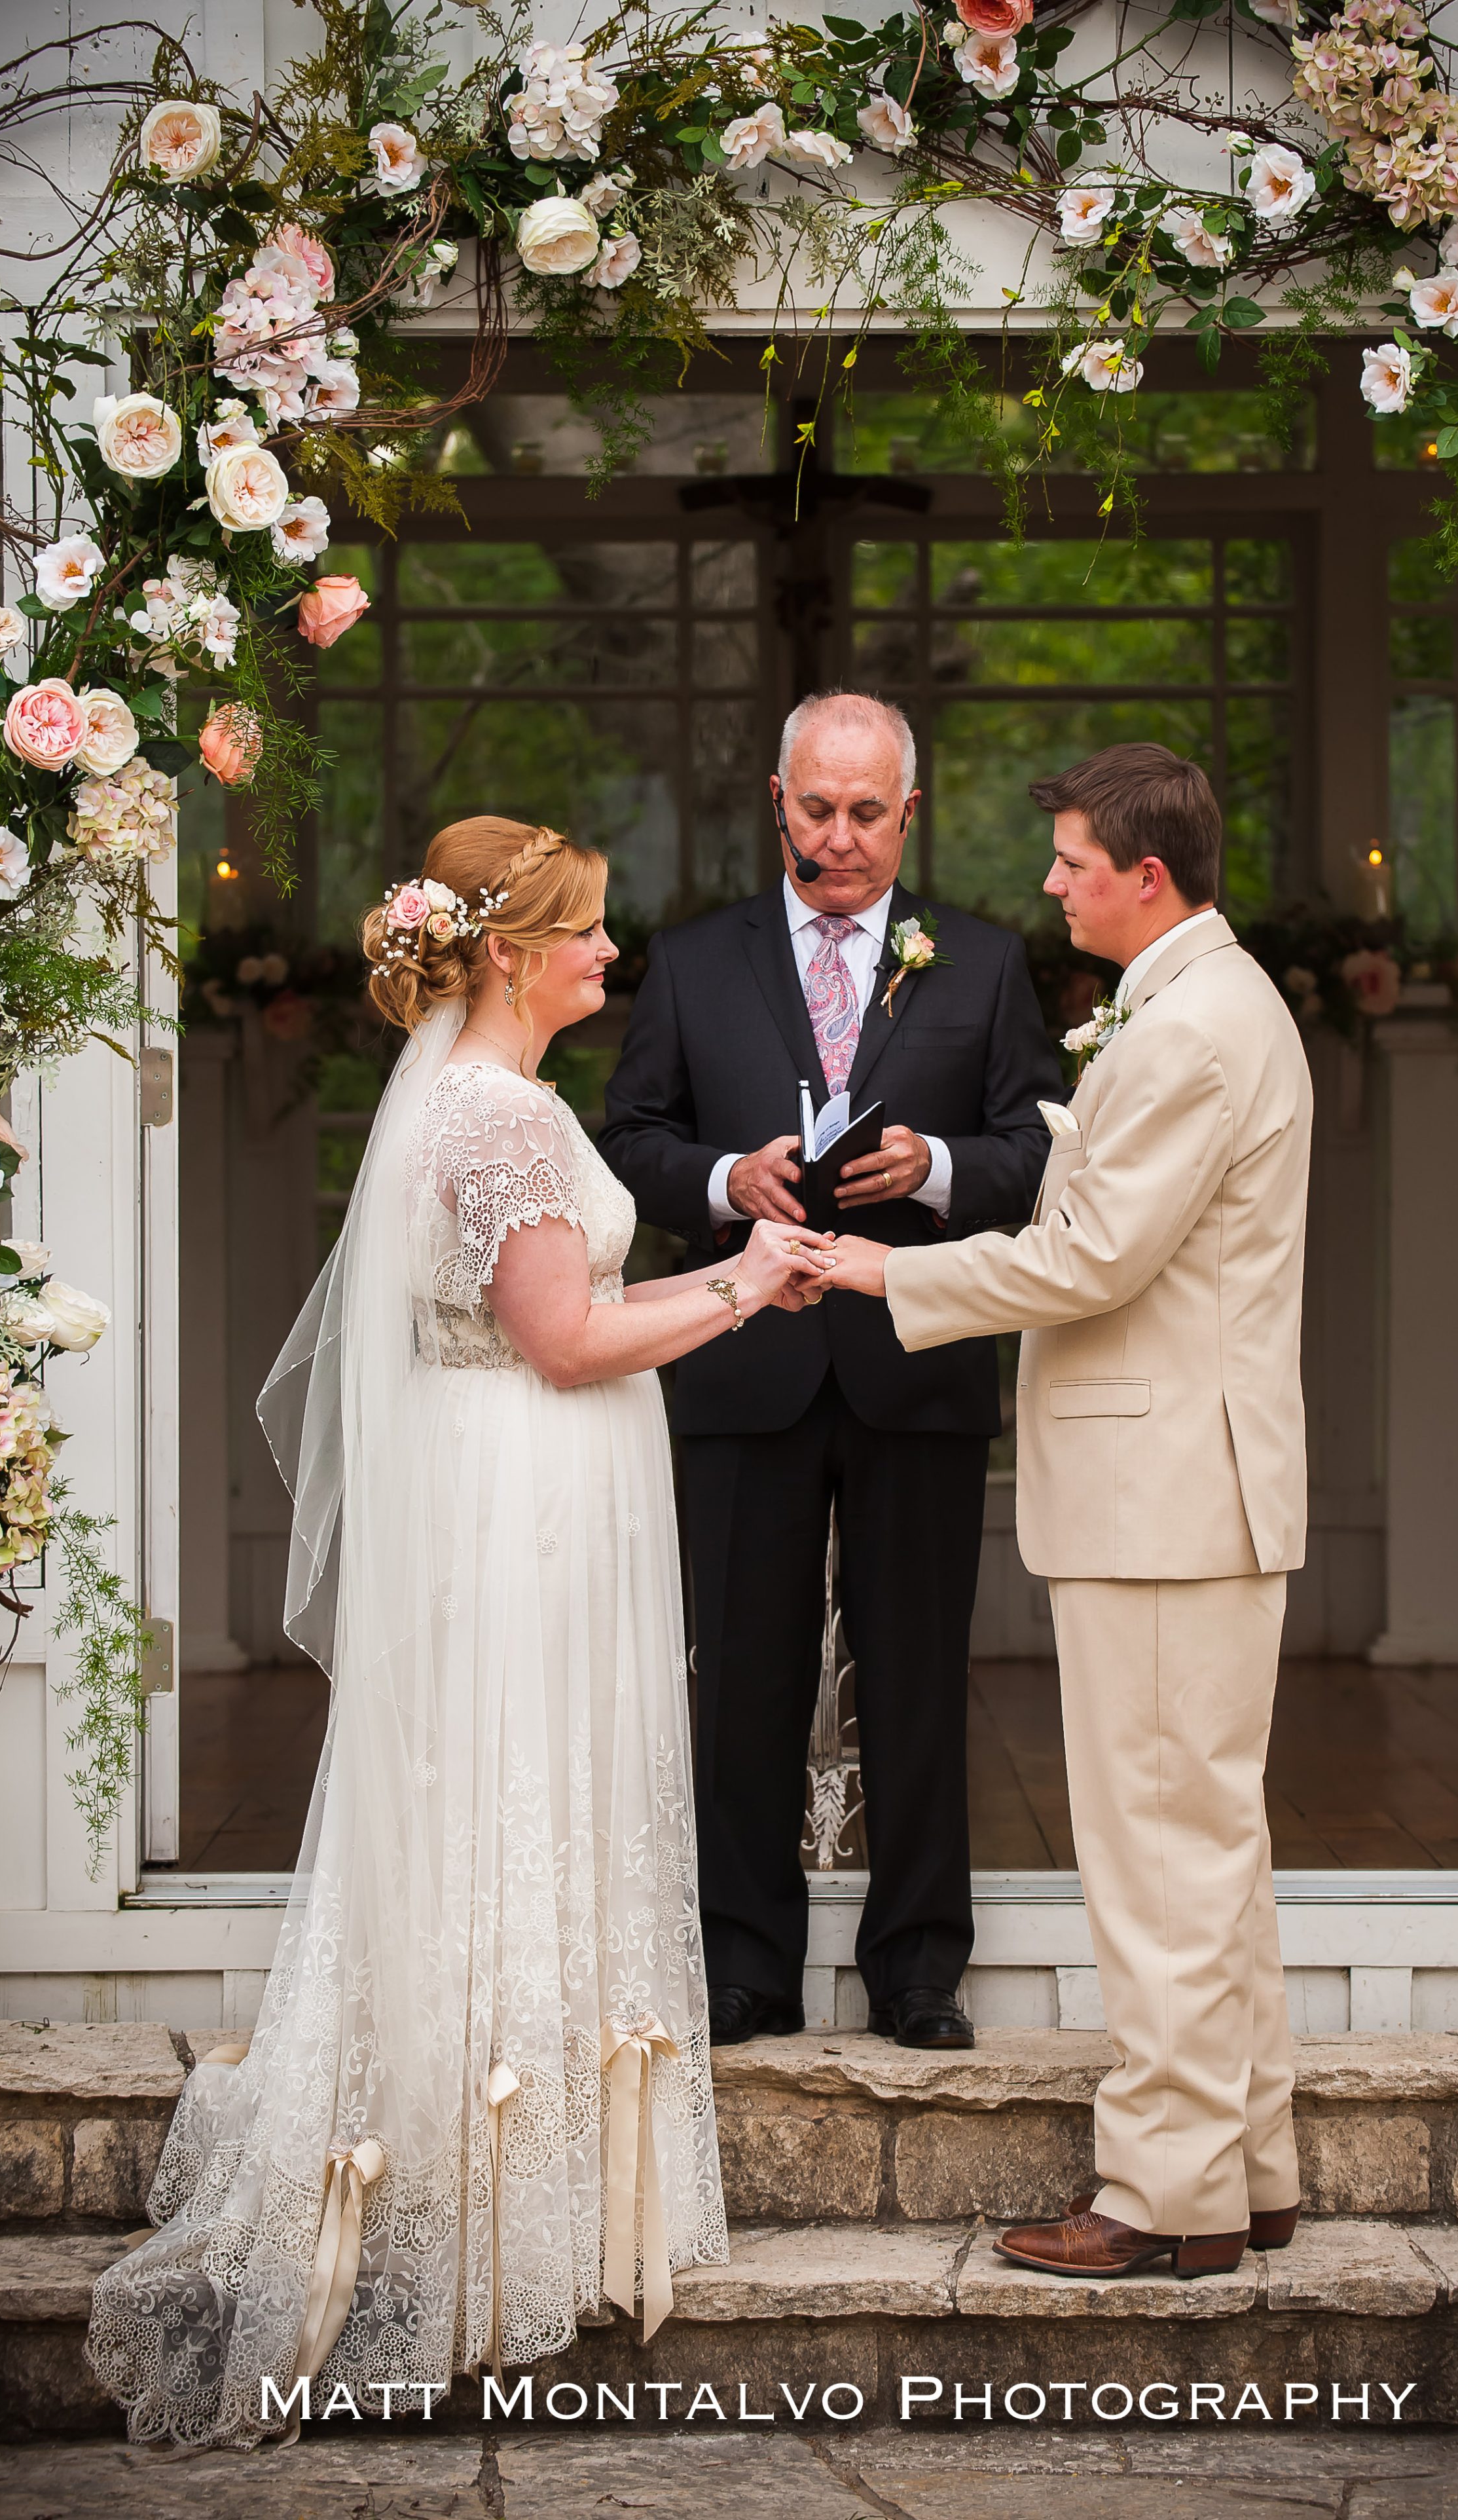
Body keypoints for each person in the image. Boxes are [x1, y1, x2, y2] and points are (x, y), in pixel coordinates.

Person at [88, 817, 829, 2445]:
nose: (610, 952)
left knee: (515, 1808)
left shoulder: (491, 1100)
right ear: (507, 951)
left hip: (525, 1481)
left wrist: (731, 1276)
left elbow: (564, 1321)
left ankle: (520, 2211)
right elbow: (562, 1340)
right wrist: (737, 1283)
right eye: (586, 931)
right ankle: (490, 2232)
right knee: (517, 1806)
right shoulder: (495, 1116)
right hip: (522, 1503)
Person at [822, 741, 1312, 2278]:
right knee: (1205, 1849)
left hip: (1164, 1497)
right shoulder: (1205, 1004)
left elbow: (1088, 1258)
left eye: (1071, 862)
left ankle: (1164, 2198)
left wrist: (884, 1273)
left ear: (1144, 877)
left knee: (1159, 1856)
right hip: (1188, 1488)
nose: (1048, 883)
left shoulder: (1189, 1032)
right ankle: (1246, 2167)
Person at [600, 693, 1060, 2051]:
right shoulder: (695, 961)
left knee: (917, 1675)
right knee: (741, 1676)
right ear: (776, 802)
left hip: (915, 1364)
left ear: (908, 813)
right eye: (817, 808)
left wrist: (939, 1167)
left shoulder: (982, 962)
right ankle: (744, 1964)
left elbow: (1036, 1152)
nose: (841, 836)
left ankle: (918, 1968)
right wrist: (719, 1179)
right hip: (742, 1365)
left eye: (867, 811)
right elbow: (628, 1137)